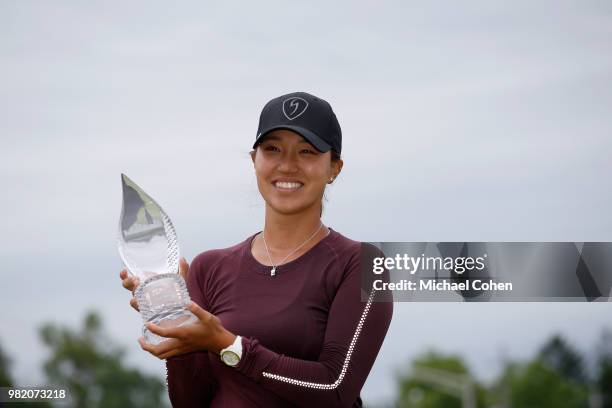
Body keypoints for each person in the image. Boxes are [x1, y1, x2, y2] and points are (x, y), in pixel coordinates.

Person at [120, 91, 393, 407]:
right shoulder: (210, 268)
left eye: (307, 151)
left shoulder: (361, 264)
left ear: (335, 168)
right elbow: (191, 401)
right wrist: (173, 318)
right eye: (273, 149)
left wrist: (227, 344)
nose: (287, 165)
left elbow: (335, 389)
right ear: (255, 160)